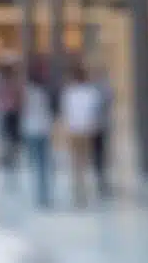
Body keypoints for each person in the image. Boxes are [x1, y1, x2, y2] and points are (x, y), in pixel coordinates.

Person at [61, 65, 102, 207]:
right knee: (84, 162)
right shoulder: (90, 92)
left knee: (76, 163)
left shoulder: (70, 92)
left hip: (75, 130)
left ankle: (78, 191)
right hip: (86, 130)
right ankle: (82, 191)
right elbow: (95, 111)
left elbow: (66, 111)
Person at [20, 67, 54, 207]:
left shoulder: (27, 93)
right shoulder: (44, 92)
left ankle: (41, 194)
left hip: (33, 130)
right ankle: (43, 193)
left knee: (37, 163)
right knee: (42, 162)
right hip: (42, 129)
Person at [0, 64, 22, 184]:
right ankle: (9, 161)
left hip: (11, 115)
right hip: (8, 115)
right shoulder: (6, 85)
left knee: (10, 141)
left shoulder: (12, 84)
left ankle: (10, 161)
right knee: (8, 141)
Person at [90, 65, 114, 196]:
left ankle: (101, 177)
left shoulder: (98, 88)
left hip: (99, 126)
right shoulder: (97, 88)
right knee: (99, 153)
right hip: (97, 127)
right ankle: (100, 177)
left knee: (99, 153)